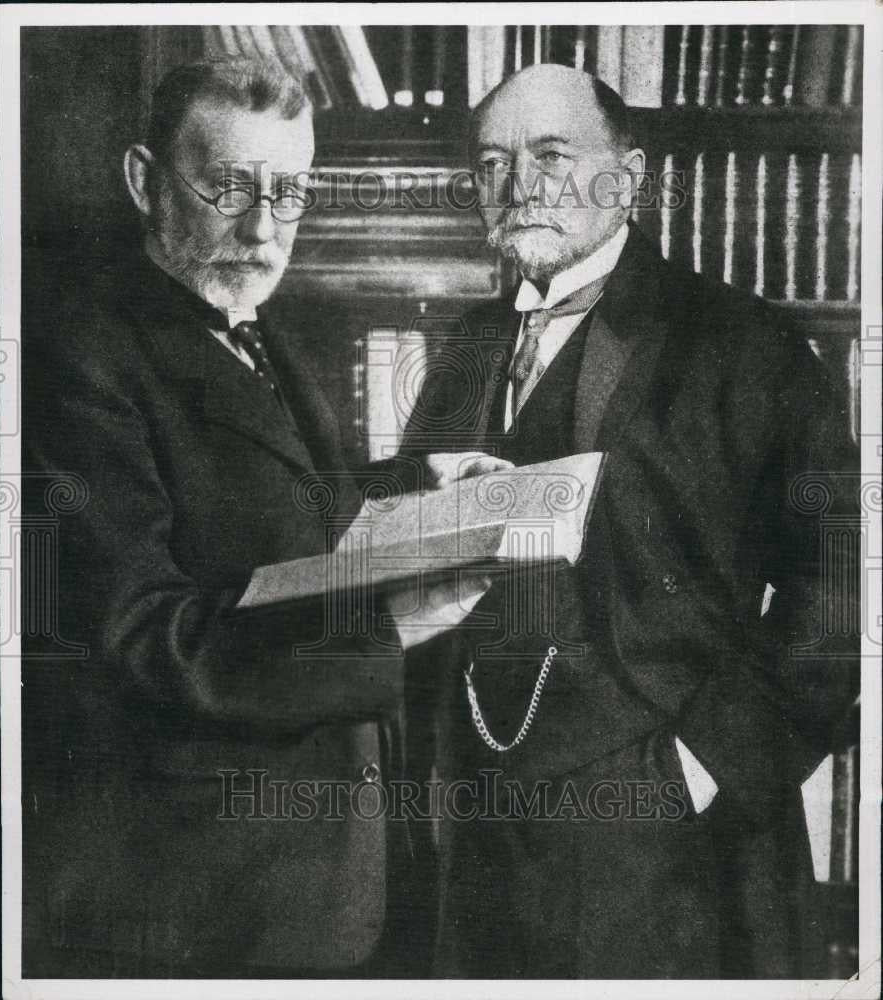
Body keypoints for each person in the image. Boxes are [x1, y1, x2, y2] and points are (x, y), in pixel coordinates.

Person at [21, 58, 486, 978]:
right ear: (142, 181)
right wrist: (388, 628)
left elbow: (267, 506)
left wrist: (410, 484)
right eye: (227, 189)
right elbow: (144, 638)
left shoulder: (250, 317)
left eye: (289, 192)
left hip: (310, 881)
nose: (264, 227)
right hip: (190, 899)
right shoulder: (78, 361)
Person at [399, 64, 859, 978]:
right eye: (492, 163)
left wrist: (697, 768)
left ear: (630, 175)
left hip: (673, 850)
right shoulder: (463, 349)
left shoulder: (744, 343)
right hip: (478, 840)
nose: (518, 186)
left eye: (551, 155)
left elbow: (841, 592)